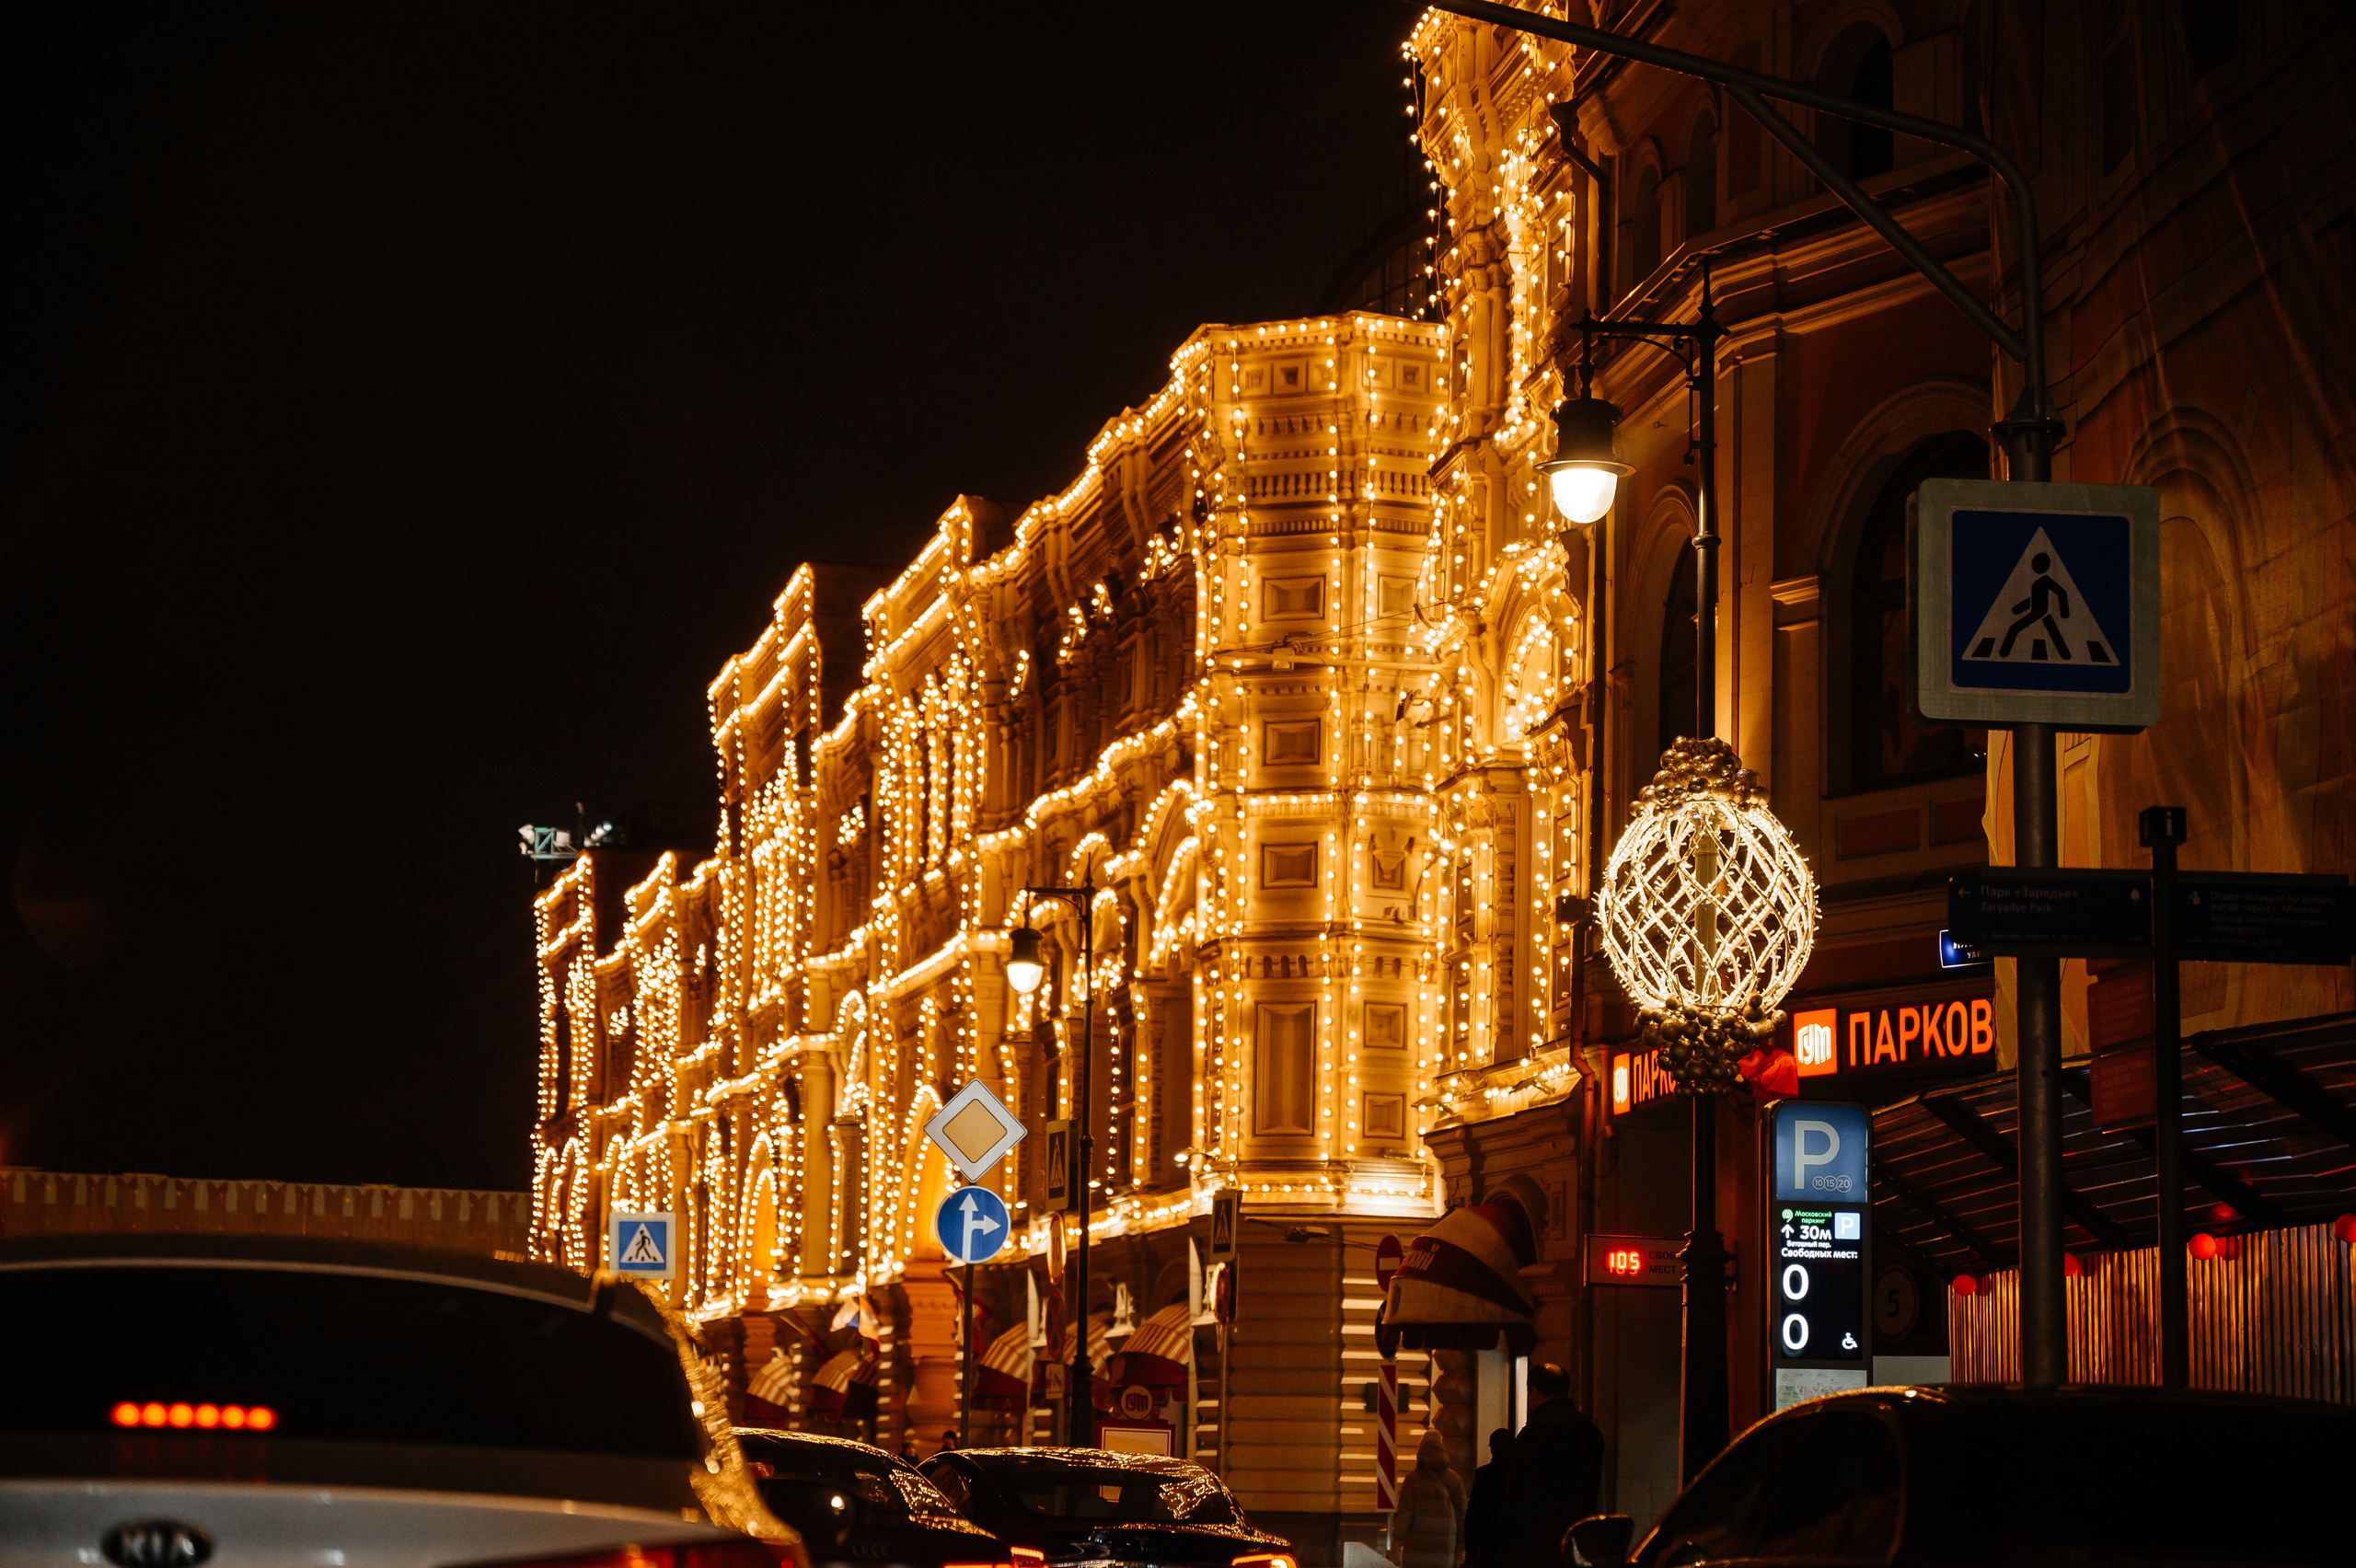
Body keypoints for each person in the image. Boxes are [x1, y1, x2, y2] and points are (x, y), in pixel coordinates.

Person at [1504, 1363, 1605, 1568]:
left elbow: (1517, 1494)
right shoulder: (1590, 1431)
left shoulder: (1534, 1433)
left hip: (1538, 1545)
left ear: (1534, 1391)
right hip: (1579, 1541)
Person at [1388, 1428, 1466, 1568]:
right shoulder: (1454, 1479)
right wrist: (1461, 1551)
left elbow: (1404, 1515)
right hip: (1445, 1549)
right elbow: (1462, 1518)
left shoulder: (1412, 1479)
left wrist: (1396, 1543)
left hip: (1416, 1550)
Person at [1462, 1426, 1514, 1568]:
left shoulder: (1483, 1475)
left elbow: (1473, 1516)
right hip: (1513, 1544)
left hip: (1489, 1543)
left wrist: (1471, 1551)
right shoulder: (1519, 1475)